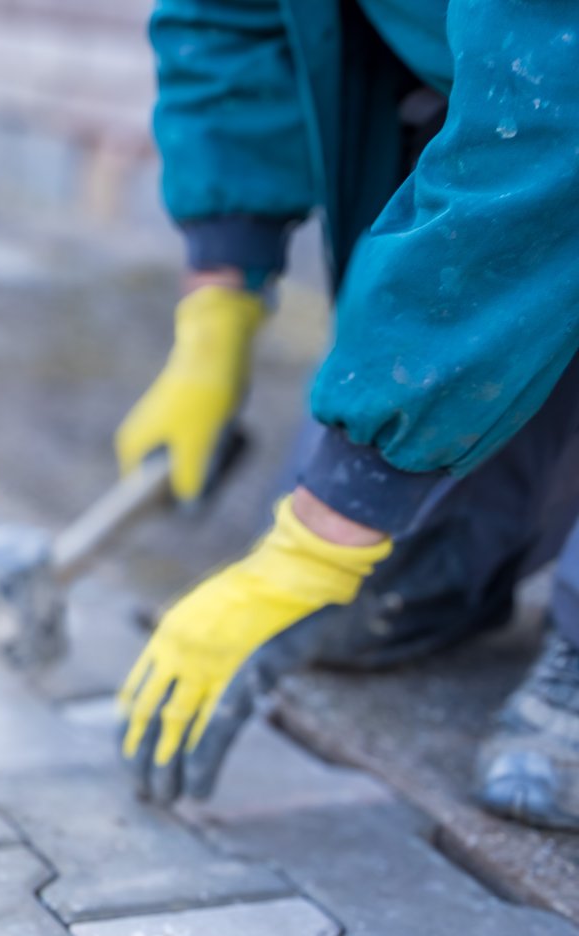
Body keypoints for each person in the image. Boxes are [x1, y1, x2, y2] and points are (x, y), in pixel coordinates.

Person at [113, 0, 579, 827]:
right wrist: (216, 314)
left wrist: (321, 539)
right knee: (384, 585)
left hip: (553, 98)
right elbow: (227, 18)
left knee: (345, 523)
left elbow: (550, 111)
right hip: (512, 100)